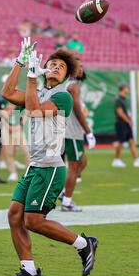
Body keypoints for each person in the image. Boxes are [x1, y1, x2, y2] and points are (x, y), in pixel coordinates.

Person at [2, 37, 98, 276]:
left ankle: (83, 243)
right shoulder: (40, 90)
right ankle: (30, 272)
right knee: (15, 215)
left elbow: (34, 109)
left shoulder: (63, 95)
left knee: (33, 221)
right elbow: (8, 92)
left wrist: (33, 78)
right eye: (52, 63)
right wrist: (20, 62)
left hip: (50, 167)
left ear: (66, 77)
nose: (55, 67)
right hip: (35, 166)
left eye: (61, 66)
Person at [59, 60, 96, 212]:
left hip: (67, 131)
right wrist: (89, 131)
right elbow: (78, 111)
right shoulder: (73, 86)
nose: (80, 69)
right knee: (73, 167)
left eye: (81, 66)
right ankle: (67, 202)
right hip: (72, 132)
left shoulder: (68, 85)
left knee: (82, 161)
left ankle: (62, 193)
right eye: (77, 66)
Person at [112, 83, 139, 168]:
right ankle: (116, 160)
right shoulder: (118, 99)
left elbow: (127, 112)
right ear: (123, 89)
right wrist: (128, 121)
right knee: (121, 142)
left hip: (126, 123)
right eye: (127, 88)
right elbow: (120, 112)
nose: (128, 90)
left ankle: (136, 160)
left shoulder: (125, 99)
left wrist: (130, 120)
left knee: (131, 141)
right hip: (121, 123)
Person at [1, 76, 30, 182]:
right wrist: (7, 126)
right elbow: (1, 113)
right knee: (8, 152)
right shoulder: (3, 98)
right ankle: (12, 172)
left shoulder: (20, 98)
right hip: (7, 128)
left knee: (26, 150)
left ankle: (29, 171)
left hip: (17, 128)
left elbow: (25, 113)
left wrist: (19, 125)